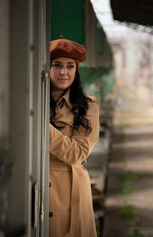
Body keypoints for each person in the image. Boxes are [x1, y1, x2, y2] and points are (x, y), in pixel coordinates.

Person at [49, 37, 99, 237]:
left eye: (70, 66)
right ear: (47, 68)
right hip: (34, 184)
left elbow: (77, 153)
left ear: (76, 71)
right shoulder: (31, 101)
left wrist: (40, 124)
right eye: (57, 65)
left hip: (69, 192)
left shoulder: (88, 107)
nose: (63, 72)